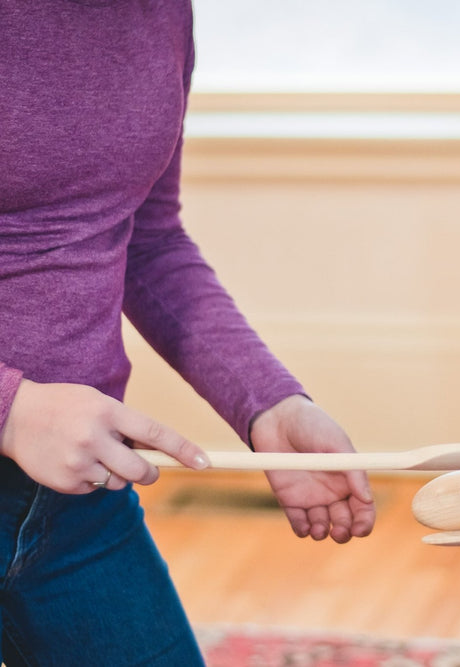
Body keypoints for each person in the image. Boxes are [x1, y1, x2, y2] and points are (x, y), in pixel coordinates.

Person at [0, 2, 376, 665]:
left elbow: (145, 236)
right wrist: (12, 411)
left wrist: (267, 401)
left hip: (77, 493)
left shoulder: (161, 12)